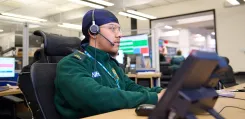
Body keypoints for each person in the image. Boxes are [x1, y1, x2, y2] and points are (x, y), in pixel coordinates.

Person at [54, 9, 165, 119]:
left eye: (119, 29)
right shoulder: (71, 64)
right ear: (93, 31)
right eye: (112, 28)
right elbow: (96, 97)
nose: (120, 34)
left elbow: (131, 87)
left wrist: (162, 92)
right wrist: (154, 98)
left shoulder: (110, 64)